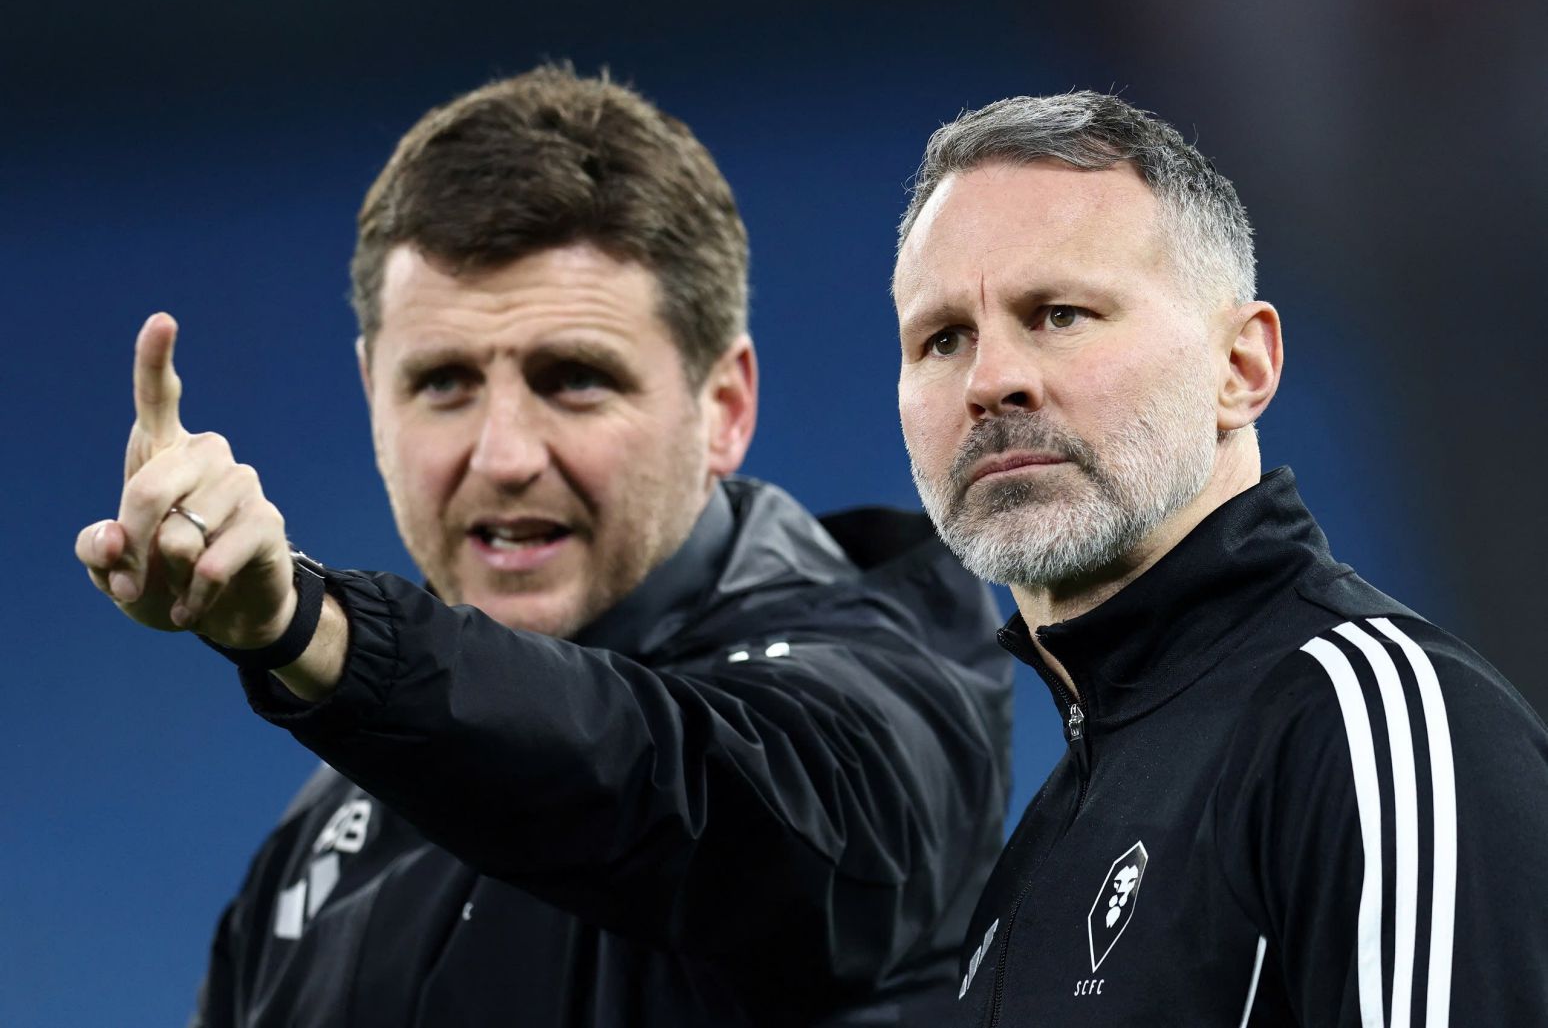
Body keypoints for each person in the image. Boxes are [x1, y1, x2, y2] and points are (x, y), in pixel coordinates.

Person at [75, 66, 1014, 1028]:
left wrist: (308, 629)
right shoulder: (325, 838)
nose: (505, 455)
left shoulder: (880, 703)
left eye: (572, 377)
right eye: (442, 382)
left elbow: (685, 801)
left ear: (723, 405)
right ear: (372, 400)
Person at [893, 91, 1548, 1026]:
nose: (992, 380)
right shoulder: (1044, 841)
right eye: (943, 337)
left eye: (1061, 313)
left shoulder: (1366, 721)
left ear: (1242, 368)